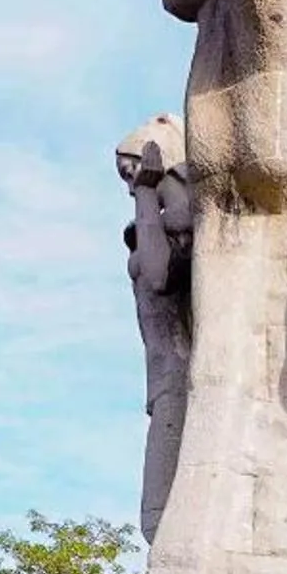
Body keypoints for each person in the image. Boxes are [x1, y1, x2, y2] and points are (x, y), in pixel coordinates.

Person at [116, 115, 194, 544]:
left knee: (164, 510)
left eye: (133, 170)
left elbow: (160, 274)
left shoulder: (180, 213)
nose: (130, 184)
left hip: (182, 376)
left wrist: (147, 193)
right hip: (164, 379)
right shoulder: (148, 226)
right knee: (157, 514)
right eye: (127, 178)